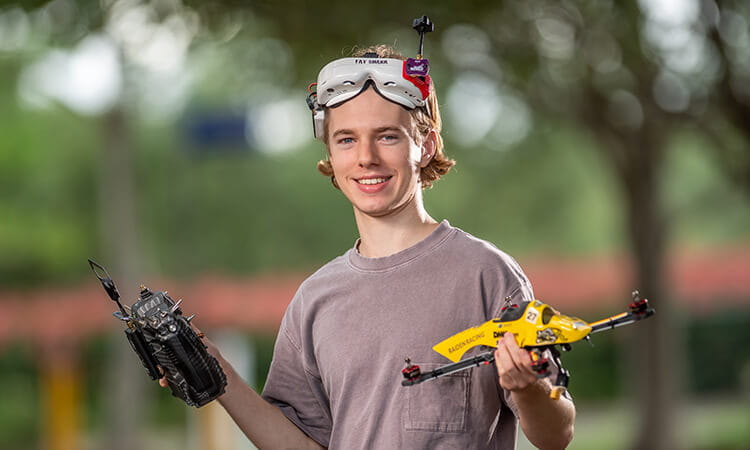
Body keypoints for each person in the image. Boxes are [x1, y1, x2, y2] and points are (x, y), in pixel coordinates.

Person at [176, 42, 575, 449]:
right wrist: (219, 375)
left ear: (426, 145)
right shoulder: (315, 300)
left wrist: (528, 389)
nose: (366, 158)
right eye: (347, 140)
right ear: (330, 154)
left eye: (387, 136)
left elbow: (557, 435)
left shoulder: (486, 275)